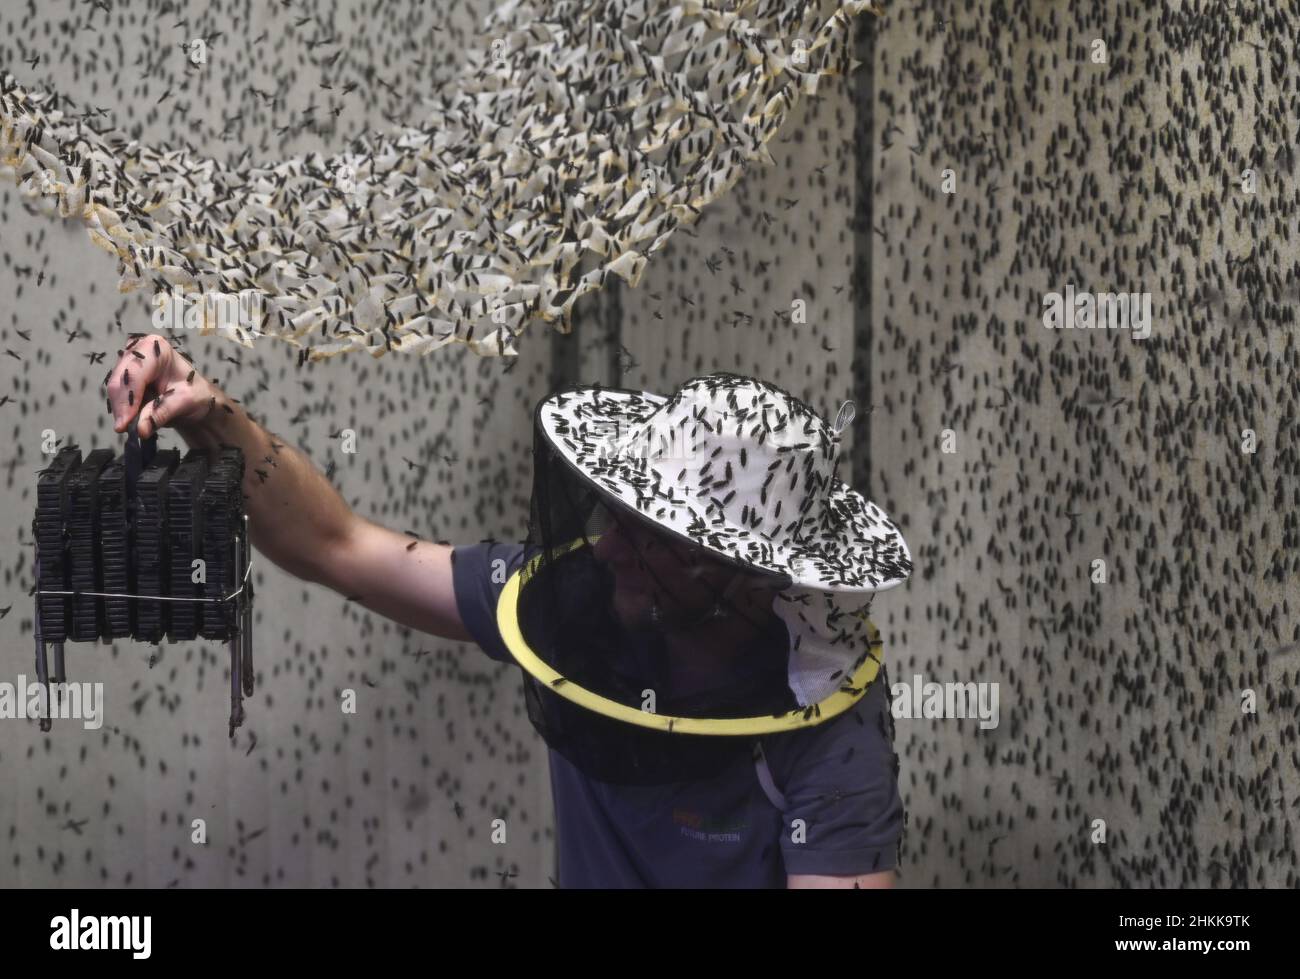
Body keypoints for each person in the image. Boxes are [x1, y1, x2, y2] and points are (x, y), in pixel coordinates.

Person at [108, 334, 911, 888]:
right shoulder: (567, 603)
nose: (607, 550)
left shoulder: (831, 732)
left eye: (654, 538)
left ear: (747, 578)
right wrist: (213, 416)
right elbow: (340, 545)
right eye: (617, 517)